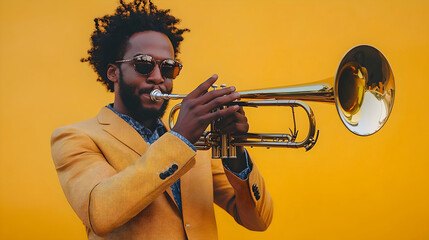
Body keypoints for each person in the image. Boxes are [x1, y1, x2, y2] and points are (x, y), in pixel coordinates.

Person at [51, 0, 273, 239]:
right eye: (143, 65)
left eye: (168, 68)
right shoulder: (76, 137)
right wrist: (180, 138)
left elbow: (258, 221)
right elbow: (101, 214)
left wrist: (236, 152)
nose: (158, 78)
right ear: (113, 72)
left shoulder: (198, 148)